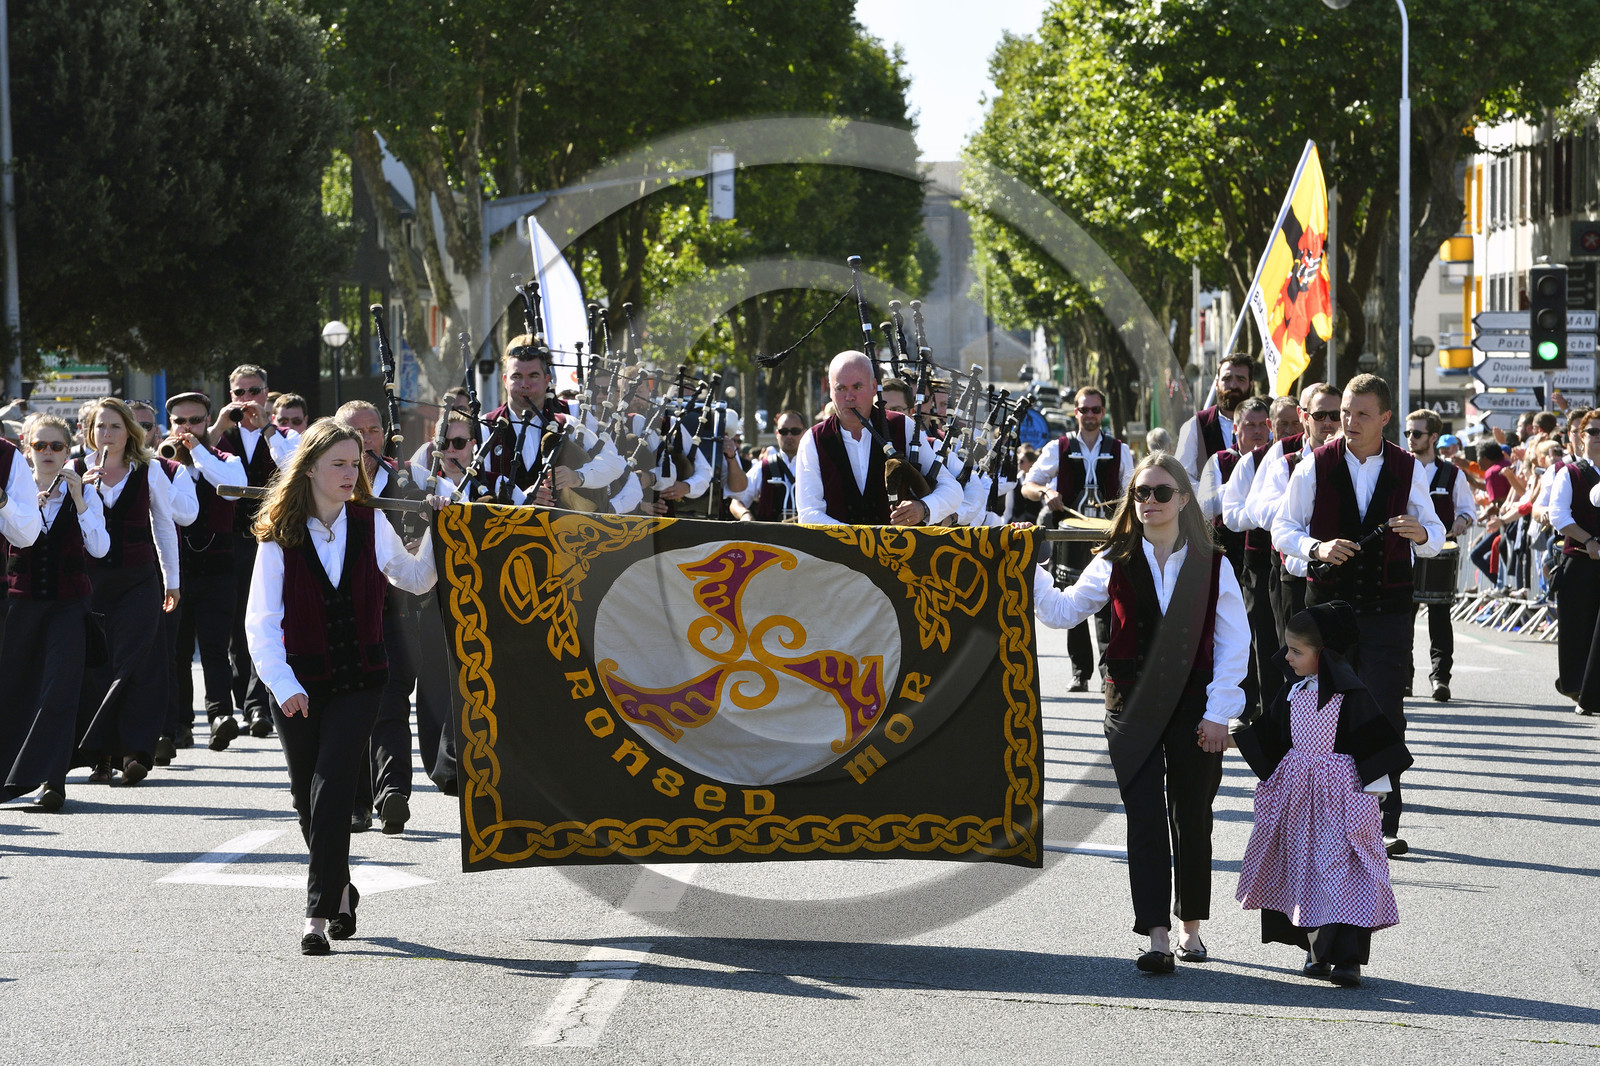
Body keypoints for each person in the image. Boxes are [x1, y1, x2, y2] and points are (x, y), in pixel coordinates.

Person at [1032, 452, 1249, 972]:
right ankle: (1155, 934)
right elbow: (1063, 612)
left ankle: (1191, 929)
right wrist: (1029, 566)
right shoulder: (1111, 559)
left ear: (1184, 499)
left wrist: (1220, 712)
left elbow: (1234, 644)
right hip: (1129, 706)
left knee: (1192, 816)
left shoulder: (1214, 562)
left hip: (1195, 705)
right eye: (1140, 493)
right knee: (1145, 818)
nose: (1149, 502)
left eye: (1160, 492)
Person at [244, 418, 439, 955]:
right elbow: (260, 623)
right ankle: (342, 889)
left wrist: (439, 534)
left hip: (361, 680)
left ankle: (315, 915)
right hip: (297, 685)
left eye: (356, 463)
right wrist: (282, 685)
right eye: (339, 464)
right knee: (308, 802)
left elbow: (415, 578)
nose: (351, 474)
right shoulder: (278, 535)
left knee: (331, 792)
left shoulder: (372, 524)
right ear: (308, 468)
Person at [1271, 374, 1445, 858]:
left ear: (1385, 417)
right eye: (1345, 412)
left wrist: (1420, 533)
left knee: (1384, 708)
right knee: (1322, 708)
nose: (1348, 422)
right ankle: (1319, 813)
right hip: (1327, 608)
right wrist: (1316, 547)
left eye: (1361, 414)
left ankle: (1383, 819)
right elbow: (1283, 527)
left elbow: (1435, 532)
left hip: (1388, 607)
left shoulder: (1407, 467)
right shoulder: (1314, 465)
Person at [1233, 601, 1411, 988]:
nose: (1287, 657)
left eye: (1297, 651)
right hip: (1298, 798)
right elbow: (1273, 736)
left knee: (1341, 869)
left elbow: (1374, 744)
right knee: (1305, 868)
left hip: (1341, 798)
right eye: (1288, 649)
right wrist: (1233, 738)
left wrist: (1375, 794)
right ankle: (1316, 949)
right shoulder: (1294, 692)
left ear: (1324, 654)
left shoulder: (1350, 696)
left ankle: (1348, 958)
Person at [336, 401, 436, 835]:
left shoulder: (408, 477)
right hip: (340, 612)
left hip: (395, 607)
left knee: (392, 695)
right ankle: (356, 802)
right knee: (352, 704)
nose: (367, 440)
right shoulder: (323, 482)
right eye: (356, 433)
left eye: (374, 430)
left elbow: (457, 508)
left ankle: (393, 792)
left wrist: (437, 515)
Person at [74, 397, 182, 786]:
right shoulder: (75, 470)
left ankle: (137, 751)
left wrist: (172, 581)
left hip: (138, 579)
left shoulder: (149, 470)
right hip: (91, 582)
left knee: (138, 662)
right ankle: (100, 756)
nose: (108, 434)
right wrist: (80, 496)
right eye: (100, 427)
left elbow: (165, 526)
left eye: (115, 426)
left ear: (129, 432)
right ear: (90, 432)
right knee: (97, 666)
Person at [0, 415, 106, 810]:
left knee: (59, 690)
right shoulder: (14, 486)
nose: (48, 453)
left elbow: (99, 549)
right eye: (40, 446)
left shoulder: (84, 490)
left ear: (69, 449)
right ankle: (14, 775)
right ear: (26, 447)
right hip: (21, 604)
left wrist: (80, 501)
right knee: (17, 688)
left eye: (56, 447)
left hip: (69, 605)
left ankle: (53, 781)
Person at [1022, 386, 1138, 691]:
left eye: (1095, 410)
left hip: (1107, 534)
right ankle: (1080, 672)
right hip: (1070, 537)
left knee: (1107, 603)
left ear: (1103, 412)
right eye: (1084, 410)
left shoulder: (1119, 449)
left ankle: (1106, 673)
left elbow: (1133, 490)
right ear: (1075, 412)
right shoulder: (1057, 447)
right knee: (1070, 597)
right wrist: (1047, 492)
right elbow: (1028, 485)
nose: (1089, 415)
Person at [213, 364, 300, 739]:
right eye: (239, 393)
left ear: (267, 393)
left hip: (269, 537)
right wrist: (218, 424)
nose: (246, 400)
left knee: (265, 617)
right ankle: (243, 700)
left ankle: (256, 704)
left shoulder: (285, 435)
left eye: (254, 391)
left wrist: (266, 426)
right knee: (234, 624)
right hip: (224, 542)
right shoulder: (220, 435)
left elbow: (291, 467)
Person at [794, 351, 961, 526]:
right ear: (830, 390)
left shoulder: (901, 426)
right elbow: (809, 513)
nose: (849, 397)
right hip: (837, 552)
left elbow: (952, 490)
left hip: (901, 551)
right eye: (840, 388)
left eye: (857, 387)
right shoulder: (813, 440)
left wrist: (923, 508)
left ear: (874, 387)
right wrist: (858, 540)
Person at [1247, 382, 1343, 644]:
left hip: (1343, 577)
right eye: (1320, 415)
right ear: (1305, 417)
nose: (1328, 423)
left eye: (1335, 416)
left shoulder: (1354, 462)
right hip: (1298, 573)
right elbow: (1264, 514)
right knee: (1297, 663)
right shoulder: (1285, 462)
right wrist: (1303, 500)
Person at [481, 338, 624, 506]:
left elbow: (614, 463)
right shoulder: (486, 425)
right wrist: (518, 498)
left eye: (533, 376)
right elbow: (476, 484)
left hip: (561, 529)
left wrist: (578, 477)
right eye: (517, 376)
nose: (525, 384)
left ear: (546, 379)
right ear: (505, 380)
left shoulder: (567, 422)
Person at [1199, 397, 1274, 715]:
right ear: (1236, 430)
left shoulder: (1277, 460)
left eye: (1262, 425)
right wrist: (1237, 486)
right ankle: (1240, 702)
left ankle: (1265, 704)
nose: (1257, 432)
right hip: (1229, 558)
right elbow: (1202, 506)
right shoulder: (1220, 461)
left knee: (1265, 634)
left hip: (1264, 560)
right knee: (1232, 633)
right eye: (1250, 425)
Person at [1404, 409, 1474, 703]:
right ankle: (1402, 679)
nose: (1410, 439)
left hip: (1439, 553)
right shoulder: (1397, 467)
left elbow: (1468, 510)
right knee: (1401, 620)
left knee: (1440, 618)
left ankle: (1440, 679)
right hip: (1404, 553)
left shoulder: (1452, 473)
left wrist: (1462, 521)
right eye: (1408, 433)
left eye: (1417, 434)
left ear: (1433, 437)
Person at [1553, 411, 1600, 709]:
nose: (1598, 437)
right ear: (1581, 438)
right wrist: (1588, 539)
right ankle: (1579, 688)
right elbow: (1559, 516)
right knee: (1579, 628)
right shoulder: (1570, 473)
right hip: (1582, 561)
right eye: (1593, 432)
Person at [1176, 354, 1255, 480]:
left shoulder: (1266, 426)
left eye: (1240, 379)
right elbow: (1183, 477)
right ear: (1217, 384)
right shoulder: (1196, 426)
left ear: (1251, 385)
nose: (1233, 385)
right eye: (1227, 379)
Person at [731, 410, 805, 522]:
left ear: (804, 433)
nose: (789, 436)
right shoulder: (763, 467)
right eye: (783, 431)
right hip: (768, 537)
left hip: (807, 536)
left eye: (795, 431)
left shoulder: (814, 467)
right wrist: (745, 515)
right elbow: (736, 501)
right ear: (777, 434)